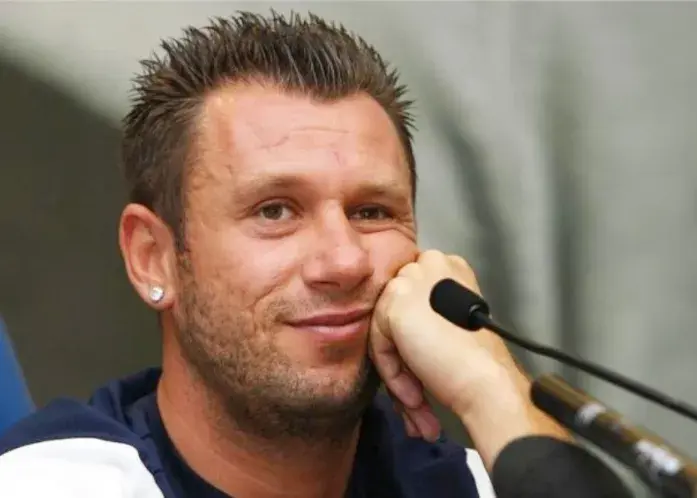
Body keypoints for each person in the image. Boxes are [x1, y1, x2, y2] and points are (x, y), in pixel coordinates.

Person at [0, 11, 568, 498]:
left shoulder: (475, 482)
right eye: (275, 211)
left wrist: (491, 386)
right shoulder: (54, 484)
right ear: (154, 257)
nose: (344, 261)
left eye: (371, 211)